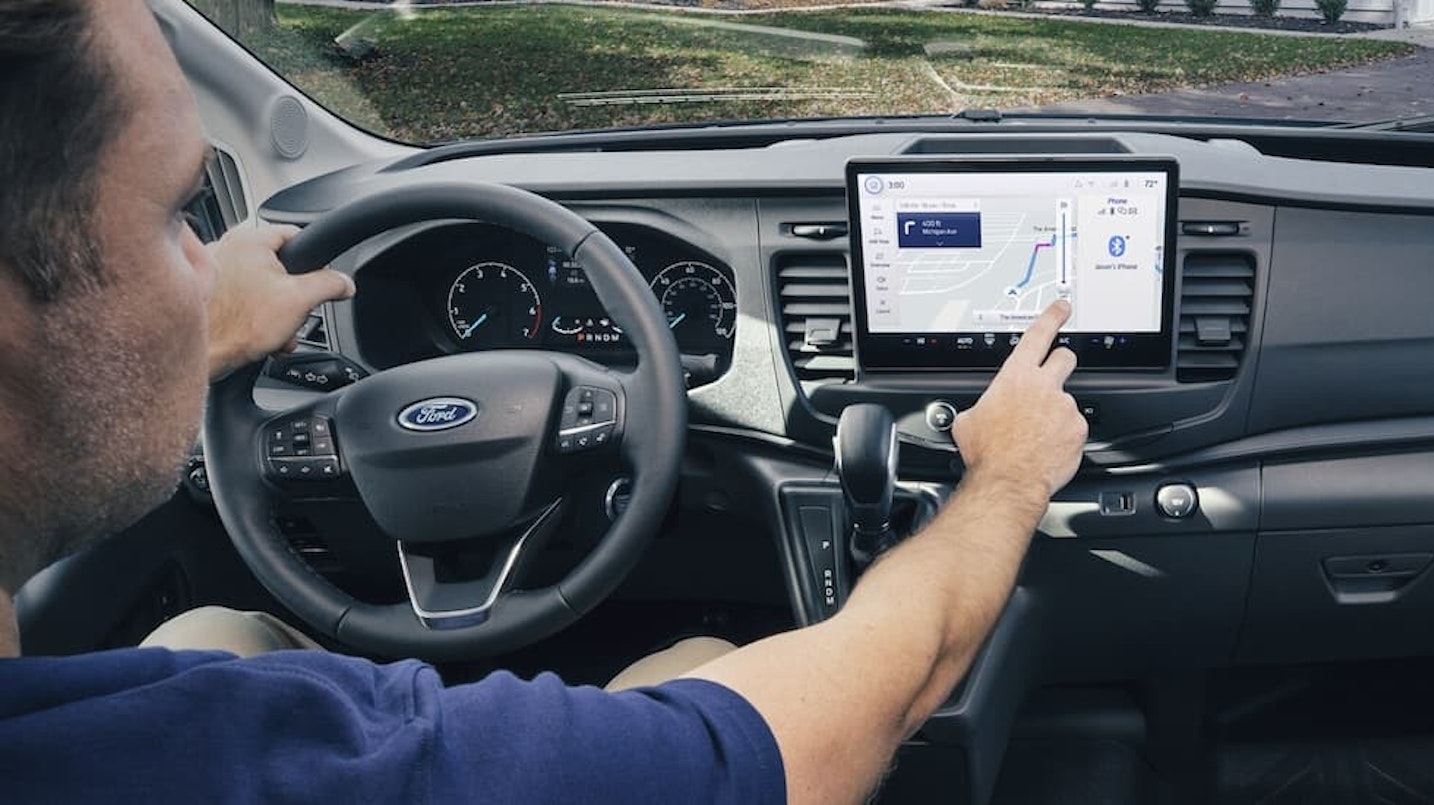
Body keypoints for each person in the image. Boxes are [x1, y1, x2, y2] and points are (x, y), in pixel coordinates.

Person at [0, 2, 1089, 803]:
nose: (208, 263)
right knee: (703, 661)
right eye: (179, 217)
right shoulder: (297, 762)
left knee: (214, 633)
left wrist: (197, 339)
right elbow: (838, 731)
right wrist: (1004, 475)